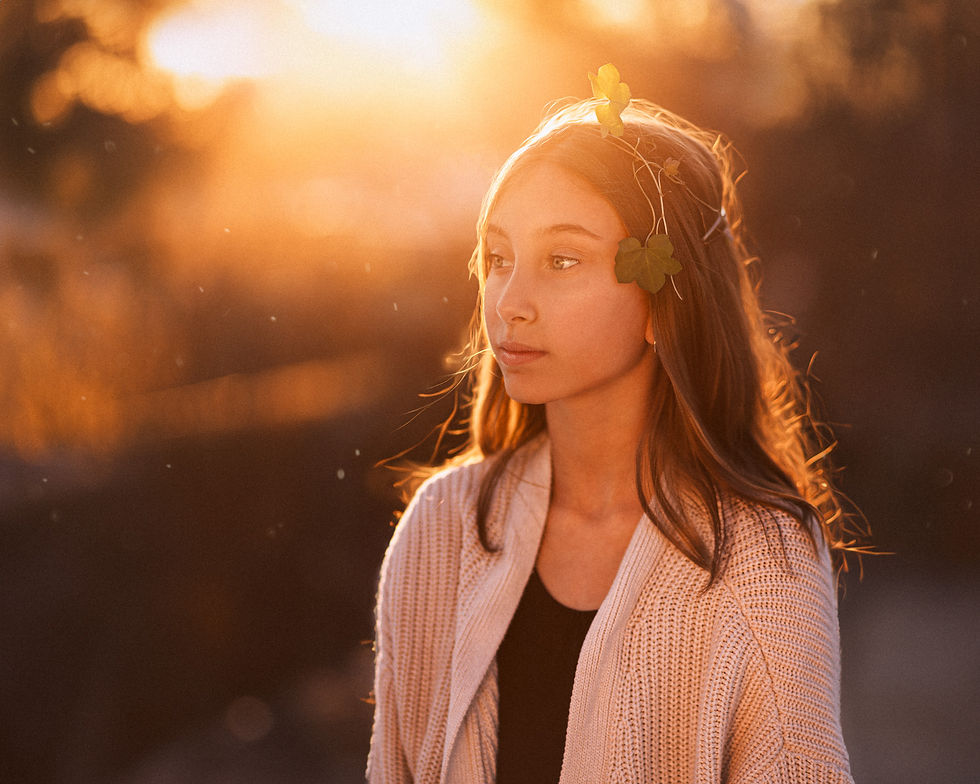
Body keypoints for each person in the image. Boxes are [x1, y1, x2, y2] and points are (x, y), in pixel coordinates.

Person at [367, 65, 861, 783]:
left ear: (668, 298)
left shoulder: (762, 562)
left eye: (561, 260)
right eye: (499, 259)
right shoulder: (442, 528)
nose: (509, 302)